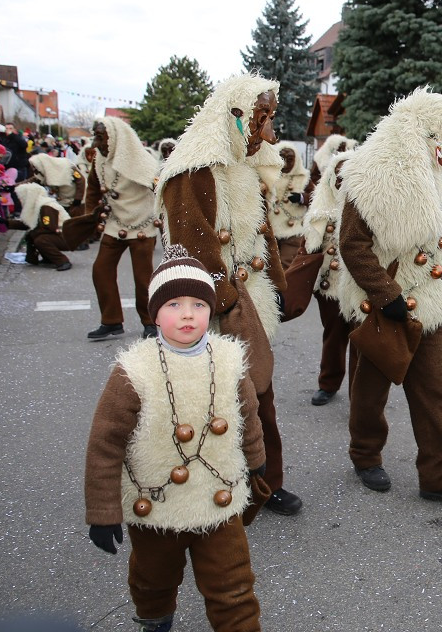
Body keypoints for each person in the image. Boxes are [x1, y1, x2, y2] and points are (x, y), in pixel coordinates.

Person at [84, 255, 268, 632]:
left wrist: (255, 460)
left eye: (198, 305)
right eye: (174, 305)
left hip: (219, 496)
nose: (188, 315)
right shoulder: (134, 369)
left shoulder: (230, 359)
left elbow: (248, 415)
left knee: (233, 583)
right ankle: (154, 616)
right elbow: (106, 441)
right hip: (156, 501)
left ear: (210, 310)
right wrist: (103, 511)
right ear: (155, 314)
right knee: (154, 576)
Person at [156, 73, 300, 517]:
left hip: (251, 305)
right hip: (218, 312)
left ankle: (265, 482)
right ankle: (216, 489)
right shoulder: (195, 171)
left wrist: (279, 286)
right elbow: (189, 245)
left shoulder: (243, 167)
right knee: (219, 402)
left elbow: (262, 234)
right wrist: (228, 304)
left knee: (261, 395)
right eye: (263, 120)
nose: (270, 133)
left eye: (271, 119)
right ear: (237, 117)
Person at [337, 87, 442, 506]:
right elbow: (352, 244)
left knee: (438, 389)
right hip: (382, 302)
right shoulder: (372, 172)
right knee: (371, 390)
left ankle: (439, 475)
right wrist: (387, 295)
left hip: (431, 300)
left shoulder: (441, 172)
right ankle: (365, 455)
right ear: (429, 128)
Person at [84, 117, 160, 340]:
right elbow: (93, 189)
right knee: (101, 270)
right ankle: (111, 321)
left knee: (143, 278)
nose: (97, 143)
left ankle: (150, 322)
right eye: (95, 137)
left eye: (100, 137)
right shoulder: (99, 159)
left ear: (116, 137)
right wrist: (89, 218)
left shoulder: (141, 159)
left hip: (142, 224)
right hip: (114, 223)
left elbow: (160, 187)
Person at [297, 142, 356, 406]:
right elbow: (307, 248)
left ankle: (361, 393)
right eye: (338, 176)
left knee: (362, 341)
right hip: (329, 284)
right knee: (333, 336)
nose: (343, 181)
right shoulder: (320, 208)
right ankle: (328, 384)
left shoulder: (369, 207)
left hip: (360, 286)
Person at [8, 183, 73, 271]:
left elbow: (50, 228)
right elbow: (28, 224)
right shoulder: (38, 205)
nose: (21, 199)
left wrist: (33, 232)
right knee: (35, 236)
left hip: (66, 237)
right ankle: (48, 258)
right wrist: (4, 222)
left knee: (41, 240)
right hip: (61, 235)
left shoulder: (46, 206)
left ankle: (62, 261)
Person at [266, 141, 308, 269]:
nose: (286, 163)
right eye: (282, 158)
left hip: (292, 229)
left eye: (290, 159)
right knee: (270, 265)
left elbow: (316, 197)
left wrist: (301, 198)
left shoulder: (304, 178)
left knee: (288, 263)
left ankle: (286, 289)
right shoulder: (268, 176)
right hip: (270, 229)